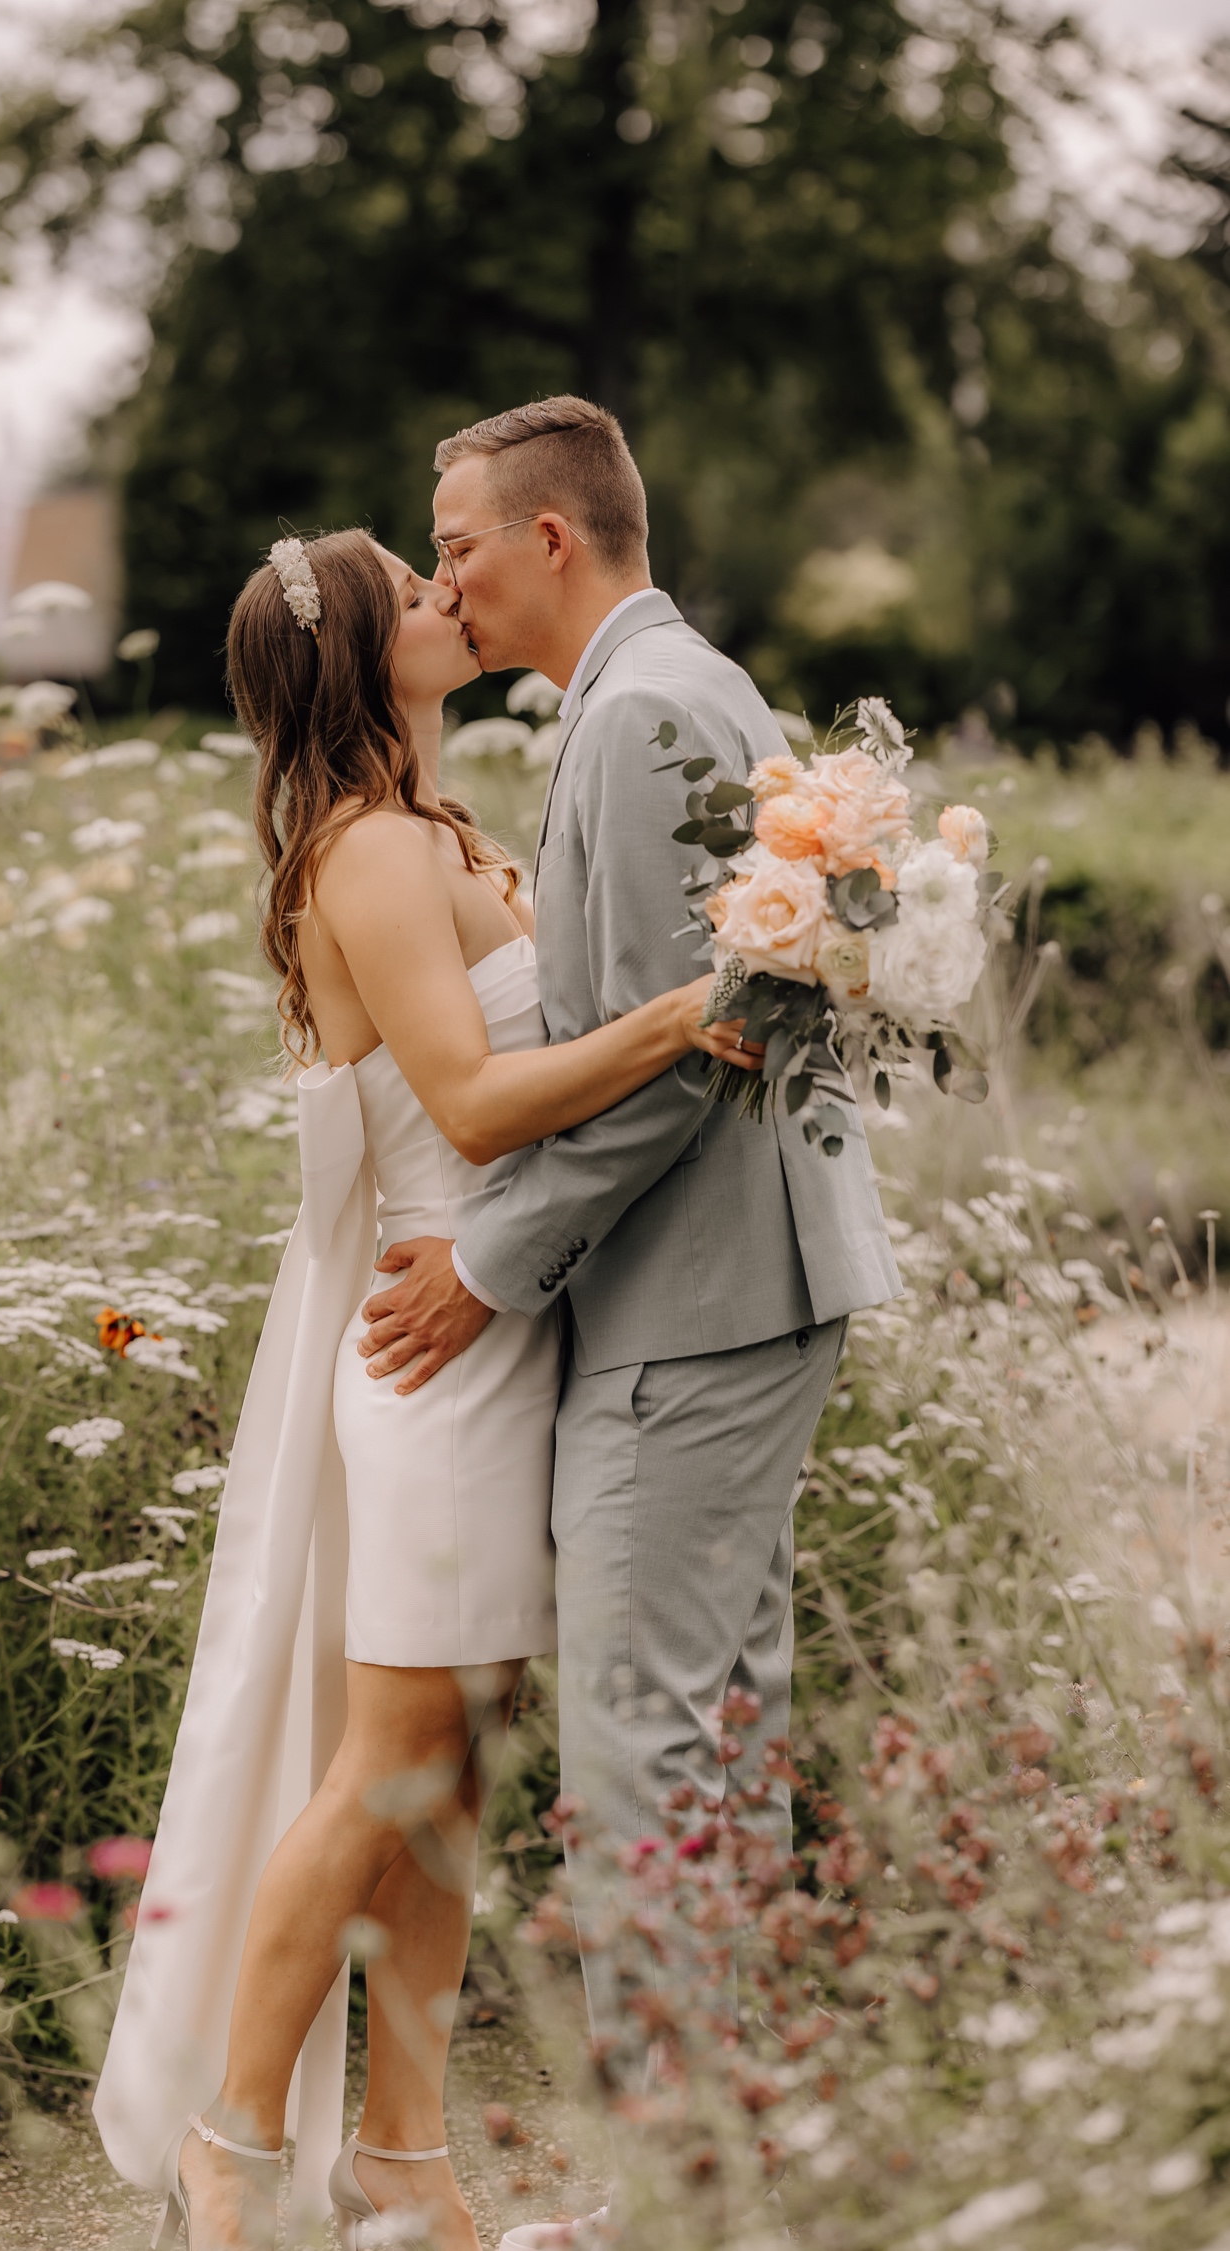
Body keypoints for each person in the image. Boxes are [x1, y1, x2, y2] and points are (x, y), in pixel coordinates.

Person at [92, 524, 760, 2251]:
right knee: (392, 1760)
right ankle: (232, 2145)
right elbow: (468, 1107)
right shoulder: (373, 853)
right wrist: (696, 1010)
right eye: (411, 576)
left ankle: (403, 2163)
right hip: (438, 1349)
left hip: (502, 1329)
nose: (444, 588)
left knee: (451, 1768)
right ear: (358, 650)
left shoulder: (435, 828)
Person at [355, 399, 901, 2241]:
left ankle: (676, 2202)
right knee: (722, 1729)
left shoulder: (650, 711)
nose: (444, 571)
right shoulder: (683, 689)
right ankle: (734, 2171)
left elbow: (694, 1059)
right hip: (739, 1284)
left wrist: (489, 1263)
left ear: (555, 539)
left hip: (703, 1298)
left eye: (459, 538)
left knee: (650, 1744)